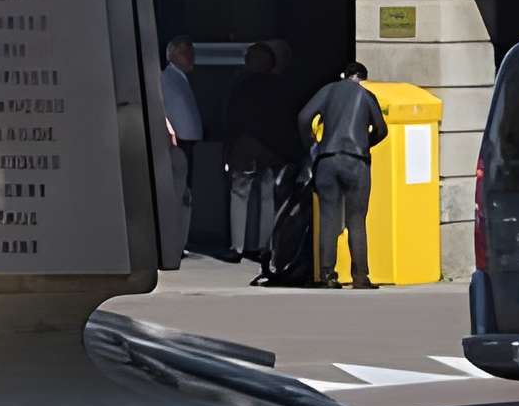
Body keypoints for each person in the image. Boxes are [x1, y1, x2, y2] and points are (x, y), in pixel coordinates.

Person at [297, 62, 391, 290]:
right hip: (356, 163)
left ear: (345, 76)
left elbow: (303, 117)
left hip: (327, 160)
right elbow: (382, 129)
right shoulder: (366, 95)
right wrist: (365, 145)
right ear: (362, 78)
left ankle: (328, 276)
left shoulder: (328, 90)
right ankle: (360, 277)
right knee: (356, 220)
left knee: (329, 218)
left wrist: (313, 145)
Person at [223, 41, 304, 264]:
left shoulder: (241, 85)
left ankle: (237, 247)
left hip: (245, 147)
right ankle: (263, 246)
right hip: (271, 150)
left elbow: (232, 119)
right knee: (267, 196)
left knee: (239, 194)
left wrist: (228, 150)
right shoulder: (281, 87)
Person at [159, 38, 203, 250]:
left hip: (186, 140)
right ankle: (173, 240)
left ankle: (180, 240)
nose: (190, 57)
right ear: (173, 54)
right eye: (185, 52)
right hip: (176, 142)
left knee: (185, 194)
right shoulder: (167, 79)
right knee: (177, 192)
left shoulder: (179, 78)